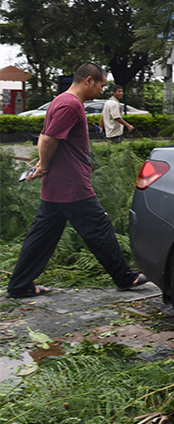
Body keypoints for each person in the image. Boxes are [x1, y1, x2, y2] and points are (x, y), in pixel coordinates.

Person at [6, 62, 146, 299]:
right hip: (71, 183)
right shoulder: (71, 104)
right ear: (88, 81)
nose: (102, 90)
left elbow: (43, 136)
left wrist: (42, 165)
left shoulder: (59, 100)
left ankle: (19, 285)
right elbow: (49, 139)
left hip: (59, 184)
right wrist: (46, 164)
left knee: (42, 235)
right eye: (100, 84)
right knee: (99, 227)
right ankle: (124, 276)